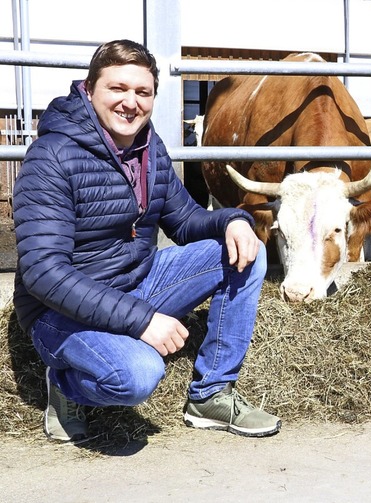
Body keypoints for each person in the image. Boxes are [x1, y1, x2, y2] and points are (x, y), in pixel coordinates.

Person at [12, 39, 281, 443]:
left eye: (142, 92)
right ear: (89, 89)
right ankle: (65, 385)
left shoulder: (148, 148)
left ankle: (211, 395)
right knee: (138, 376)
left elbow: (186, 220)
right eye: (117, 89)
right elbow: (44, 273)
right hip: (60, 312)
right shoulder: (50, 157)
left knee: (245, 252)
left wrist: (235, 220)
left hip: (136, 283)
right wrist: (142, 322)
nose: (130, 102)